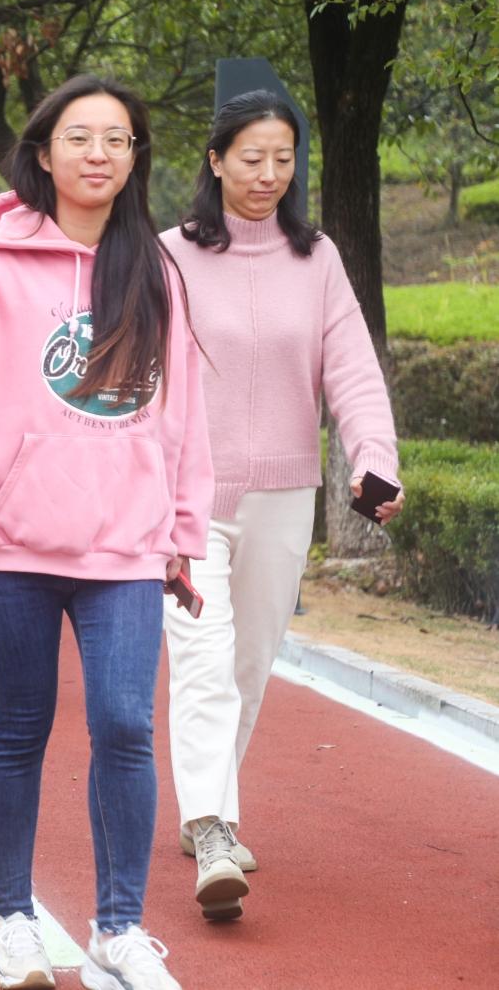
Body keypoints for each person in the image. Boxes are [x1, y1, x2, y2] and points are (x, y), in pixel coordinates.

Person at [0, 75, 212, 990]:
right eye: (79, 137)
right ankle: (11, 921)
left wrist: (181, 530)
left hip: (123, 542)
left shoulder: (154, 269)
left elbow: (181, 411)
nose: (98, 154)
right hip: (11, 541)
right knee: (20, 730)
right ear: (42, 151)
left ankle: (119, 927)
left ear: (135, 158)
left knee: (123, 725)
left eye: (117, 139)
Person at [160, 90, 403, 922]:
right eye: (251, 157)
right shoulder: (169, 256)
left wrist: (373, 461)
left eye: (283, 158)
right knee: (201, 659)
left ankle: (207, 804)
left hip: (284, 497)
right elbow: (143, 380)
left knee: (247, 664)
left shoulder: (317, 258)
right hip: (189, 501)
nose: (268, 174)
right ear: (215, 160)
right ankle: (212, 828)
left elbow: (352, 371)